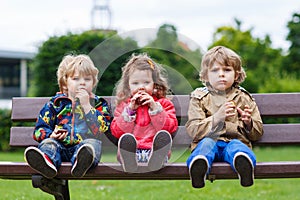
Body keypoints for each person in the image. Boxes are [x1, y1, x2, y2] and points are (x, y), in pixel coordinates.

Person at [185, 46, 264, 188]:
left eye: (227, 70)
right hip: (208, 140)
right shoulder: (199, 97)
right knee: (206, 146)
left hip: (235, 140)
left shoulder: (244, 98)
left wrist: (248, 123)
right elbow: (193, 130)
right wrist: (217, 117)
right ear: (206, 75)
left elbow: (257, 133)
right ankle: (199, 168)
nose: (221, 74)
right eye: (215, 70)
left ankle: (244, 168)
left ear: (236, 74)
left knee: (238, 148)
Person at [24, 54, 111, 178]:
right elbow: (39, 130)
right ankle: (47, 163)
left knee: (92, 144)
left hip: (83, 149)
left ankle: (80, 164)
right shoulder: (55, 104)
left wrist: (87, 106)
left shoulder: (98, 104)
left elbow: (103, 129)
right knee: (48, 143)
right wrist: (51, 135)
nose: (82, 83)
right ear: (65, 84)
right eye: (76, 79)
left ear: (93, 83)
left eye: (87, 79)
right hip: (59, 148)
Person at [110, 53, 178, 173]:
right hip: (132, 152)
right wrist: (130, 111)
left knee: (159, 148)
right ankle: (129, 161)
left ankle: (156, 161)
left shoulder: (164, 104)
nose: (141, 87)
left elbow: (170, 128)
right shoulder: (124, 105)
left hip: (153, 151)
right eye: (135, 83)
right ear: (128, 85)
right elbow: (116, 131)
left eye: (146, 82)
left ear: (155, 84)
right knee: (126, 144)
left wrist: (155, 108)